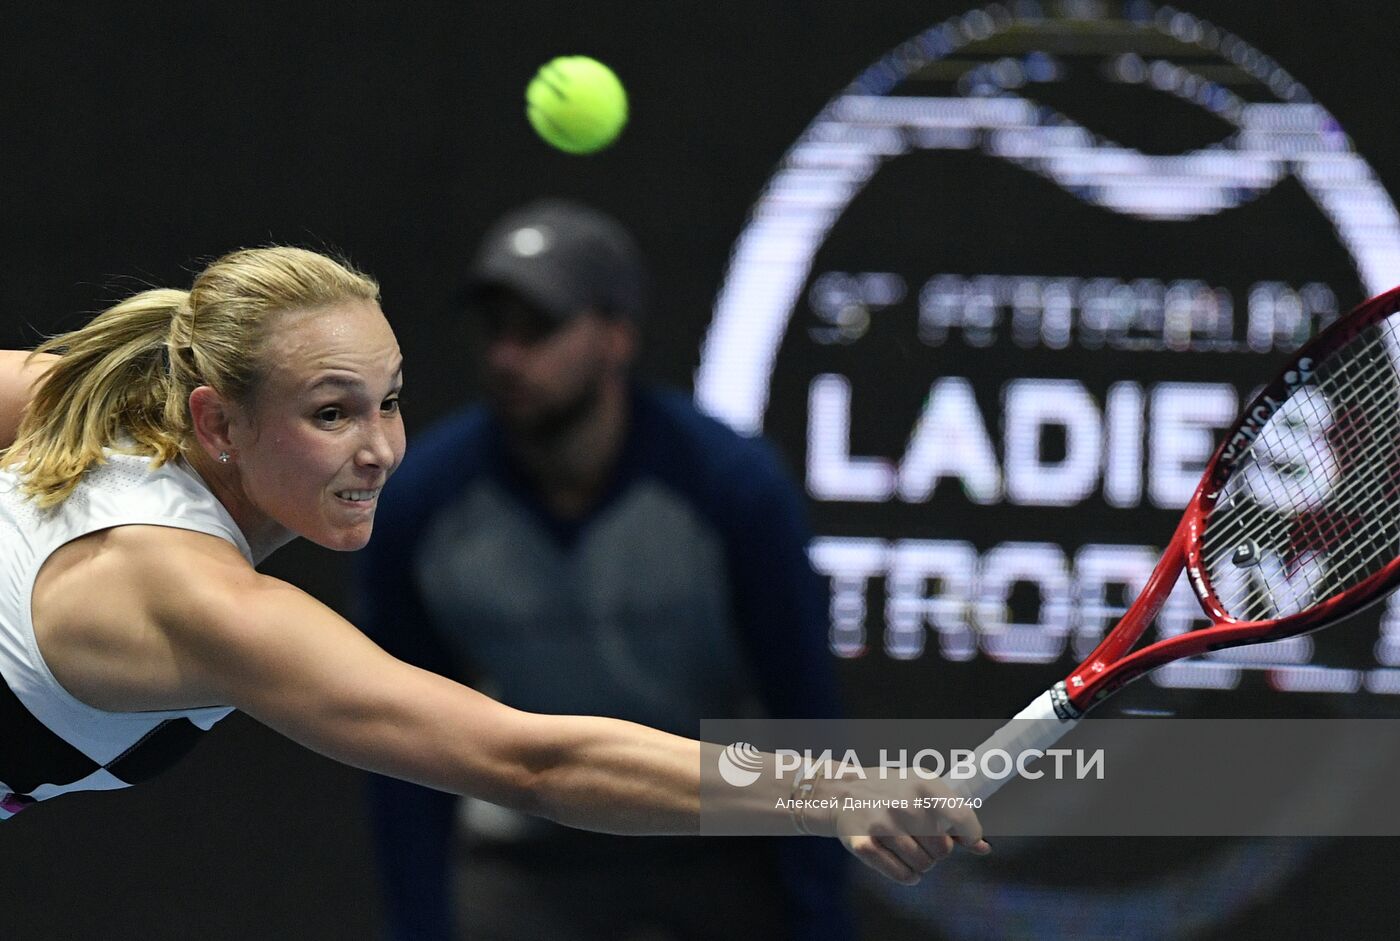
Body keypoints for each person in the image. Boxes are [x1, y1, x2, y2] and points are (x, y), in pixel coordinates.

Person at [0, 246, 985, 905]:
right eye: (330, 413)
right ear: (217, 420)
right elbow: (532, 762)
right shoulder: (205, 602)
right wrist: (820, 791)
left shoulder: (84, 398)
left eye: (387, 401)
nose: (381, 448)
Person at [356, 200, 861, 941]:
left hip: (713, 840)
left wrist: (821, 924)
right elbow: (401, 749)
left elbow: (805, 716)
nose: (506, 356)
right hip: (526, 855)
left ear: (617, 337)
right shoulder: (419, 505)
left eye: (540, 329)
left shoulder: (734, 490)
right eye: (496, 329)